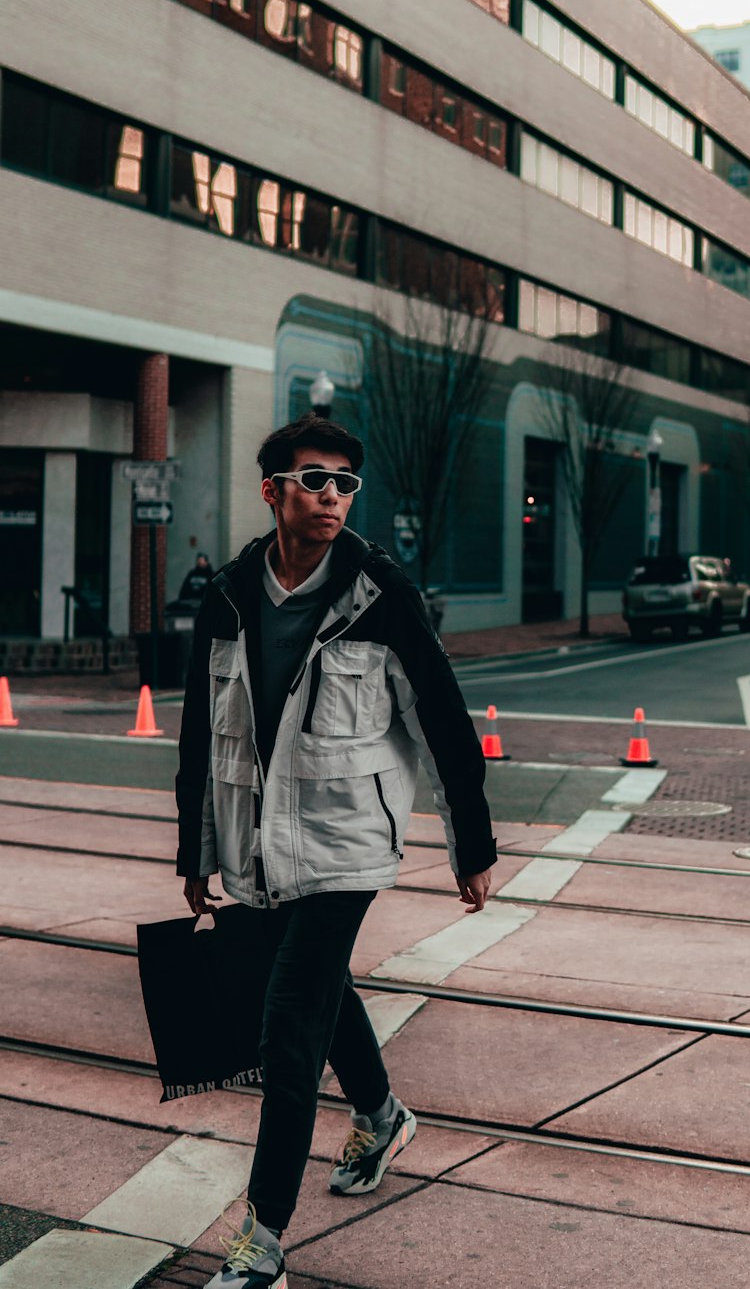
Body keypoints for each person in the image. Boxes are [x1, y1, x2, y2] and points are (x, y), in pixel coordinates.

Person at [174, 412, 495, 1289]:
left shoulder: (378, 592)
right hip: (260, 842)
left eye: (346, 482)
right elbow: (202, 730)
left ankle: (262, 1242)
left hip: (349, 840)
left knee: (287, 1031)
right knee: (317, 990)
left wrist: (471, 840)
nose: (332, 496)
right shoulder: (230, 593)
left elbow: (443, 719)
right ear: (272, 489)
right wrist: (194, 849)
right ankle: (382, 1114)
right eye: (315, 479)